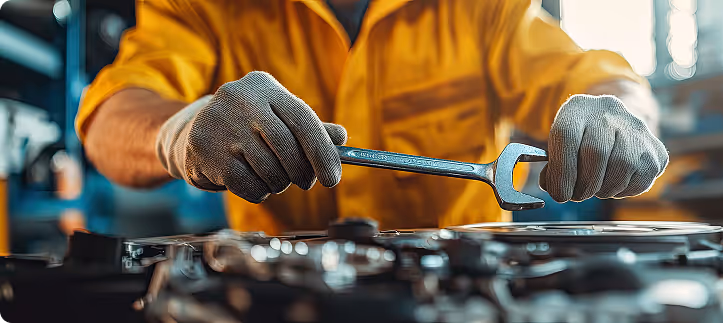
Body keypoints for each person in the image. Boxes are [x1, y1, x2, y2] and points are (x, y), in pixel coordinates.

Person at [78, 0, 669, 235]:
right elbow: (111, 118)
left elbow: (591, 76)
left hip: (467, 299)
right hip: (276, 300)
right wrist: (182, 132)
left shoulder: (482, 7)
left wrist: (619, 112)